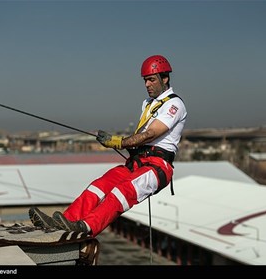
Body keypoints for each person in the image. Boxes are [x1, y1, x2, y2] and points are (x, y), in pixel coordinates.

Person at [29, 54, 187, 237]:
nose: (147, 84)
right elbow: (142, 136)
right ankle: (65, 222)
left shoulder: (174, 104)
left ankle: (86, 227)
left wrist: (119, 142)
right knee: (99, 186)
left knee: (122, 192)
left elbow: (151, 133)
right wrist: (124, 144)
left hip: (157, 166)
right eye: (145, 80)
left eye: (151, 79)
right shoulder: (148, 104)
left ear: (165, 78)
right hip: (137, 163)